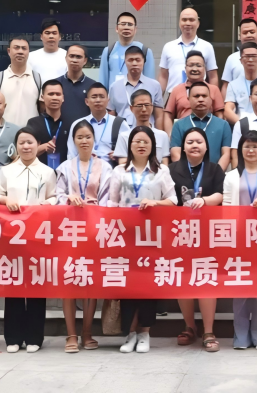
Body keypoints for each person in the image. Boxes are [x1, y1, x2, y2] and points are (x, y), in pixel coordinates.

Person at [108, 126, 177, 353]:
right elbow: (112, 202)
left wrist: (155, 203)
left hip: (152, 237)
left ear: (152, 146)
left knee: (148, 286)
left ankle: (145, 333)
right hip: (126, 236)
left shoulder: (161, 171)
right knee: (128, 286)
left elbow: (173, 200)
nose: (141, 145)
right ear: (130, 146)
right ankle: (130, 334)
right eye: (137, 141)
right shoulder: (119, 171)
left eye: (145, 142)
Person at [0, 127, 58, 354]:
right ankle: (13, 337)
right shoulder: (6, 171)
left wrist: (44, 206)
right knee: (14, 285)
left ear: (38, 144)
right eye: (21, 142)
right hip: (12, 237)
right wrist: (5, 200)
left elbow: (54, 198)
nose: (26, 146)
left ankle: (34, 338)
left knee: (37, 287)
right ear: (16, 146)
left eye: (30, 142)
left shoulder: (48, 172)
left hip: (38, 236)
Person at [55, 121, 113, 353]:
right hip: (70, 230)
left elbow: (109, 197)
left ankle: (87, 332)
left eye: (88, 136)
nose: (84, 141)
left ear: (94, 139)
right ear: (74, 141)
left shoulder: (105, 167)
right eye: (79, 137)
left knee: (91, 282)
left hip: (95, 229)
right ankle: (71, 334)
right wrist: (68, 198)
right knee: (69, 280)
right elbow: (57, 195)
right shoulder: (65, 167)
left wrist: (96, 209)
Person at [168, 127, 224, 352]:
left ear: (206, 146)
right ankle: (189, 326)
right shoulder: (172, 169)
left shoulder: (214, 169)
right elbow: (168, 197)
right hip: (179, 232)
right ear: (183, 147)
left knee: (206, 278)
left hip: (207, 232)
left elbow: (221, 194)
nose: (194, 145)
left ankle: (208, 330)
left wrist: (206, 200)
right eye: (190, 141)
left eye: (199, 142)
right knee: (184, 279)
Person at [224, 131, 257, 351]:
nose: (251, 150)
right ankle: (240, 336)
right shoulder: (231, 176)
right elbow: (226, 207)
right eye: (247, 146)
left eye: (255, 146)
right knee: (240, 288)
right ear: (240, 149)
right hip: (239, 237)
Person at [168, 82, 231, 169]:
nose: (201, 99)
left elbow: (226, 154)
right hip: (186, 175)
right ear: (188, 99)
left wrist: (216, 174)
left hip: (215, 175)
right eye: (196, 96)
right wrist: (188, 174)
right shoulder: (179, 125)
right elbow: (175, 154)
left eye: (204, 96)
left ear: (211, 99)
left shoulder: (223, 125)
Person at [159, 7, 219, 93]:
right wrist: (158, 99)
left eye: (191, 20)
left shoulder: (207, 46)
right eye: (184, 20)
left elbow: (213, 76)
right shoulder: (168, 47)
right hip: (174, 96)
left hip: (199, 96)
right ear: (179, 23)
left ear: (198, 23)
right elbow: (163, 76)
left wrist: (213, 97)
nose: (187, 23)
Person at [67, 82, 131, 161]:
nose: (98, 100)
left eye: (102, 97)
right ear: (87, 101)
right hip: (83, 167)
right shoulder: (77, 124)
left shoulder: (120, 124)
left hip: (111, 167)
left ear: (108, 101)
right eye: (94, 97)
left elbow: (130, 151)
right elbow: (71, 154)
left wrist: (119, 154)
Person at [0, 36, 42, 127]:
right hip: (4, 132)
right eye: (16, 48)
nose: (20, 51)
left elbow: (43, 108)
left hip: (31, 133)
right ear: (9, 51)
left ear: (28, 52)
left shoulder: (38, 78)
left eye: (24, 48)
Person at [162, 51, 225, 130]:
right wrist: (170, 134)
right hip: (182, 131)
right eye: (191, 65)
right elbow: (168, 115)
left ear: (205, 69)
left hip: (208, 131)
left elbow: (220, 115)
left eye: (198, 65)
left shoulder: (214, 89)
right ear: (185, 68)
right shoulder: (176, 89)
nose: (194, 69)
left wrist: (216, 132)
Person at [107, 45, 164, 129]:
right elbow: (111, 115)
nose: (134, 63)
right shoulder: (114, 87)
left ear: (143, 61)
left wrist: (159, 134)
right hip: (122, 132)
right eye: (130, 60)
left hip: (147, 131)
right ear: (125, 62)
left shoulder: (154, 85)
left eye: (138, 60)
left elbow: (158, 116)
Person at [221, 18, 257, 97]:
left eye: (252, 32)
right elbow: (226, 86)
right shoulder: (231, 58)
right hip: (236, 103)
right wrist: (226, 104)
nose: (249, 35)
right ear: (240, 36)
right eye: (245, 33)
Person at [114, 90, 171, 164]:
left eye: (147, 105)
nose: (144, 109)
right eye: (139, 106)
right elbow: (122, 163)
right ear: (131, 108)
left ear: (152, 107)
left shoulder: (162, 135)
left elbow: (164, 163)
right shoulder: (124, 136)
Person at [99, 12, 156, 86]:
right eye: (123, 24)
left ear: (135, 29)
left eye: (130, 24)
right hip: (114, 93)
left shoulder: (145, 51)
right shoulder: (108, 51)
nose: (126, 27)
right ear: (117, 28)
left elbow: (150, 81)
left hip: (137, 93)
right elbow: (102, 81)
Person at [26, 79, 71, 169]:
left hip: (65, 173)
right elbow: (27, 152)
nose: (54, 97)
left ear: (63, 98)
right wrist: (42, 148)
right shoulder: (33, 123)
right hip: (39, 172)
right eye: (50, 94)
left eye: (58, 94)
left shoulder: (71, 123)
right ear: (42, 97)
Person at [56, 44, 97, 124]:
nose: (74, 60)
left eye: (78, 57)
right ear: (66, 58)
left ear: (85, 60)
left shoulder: (93, 86)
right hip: (59, 130)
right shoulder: (56, 84)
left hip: (84, 130)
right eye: (71, 56)